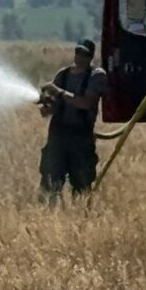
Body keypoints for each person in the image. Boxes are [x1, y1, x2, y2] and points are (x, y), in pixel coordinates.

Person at [38, 38, 107, 197]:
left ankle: (79, 211)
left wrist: (59, 92)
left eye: (84, 54)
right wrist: (46, 106)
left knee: (82, 185)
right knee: (50, 181)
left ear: (91, 56)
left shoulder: (96, 76)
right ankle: (48, 210)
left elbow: (86, 103)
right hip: (57, 136)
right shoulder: (62, 75)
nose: (80, 57)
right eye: (78, 52)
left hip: (81, 138)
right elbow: (54, 106)